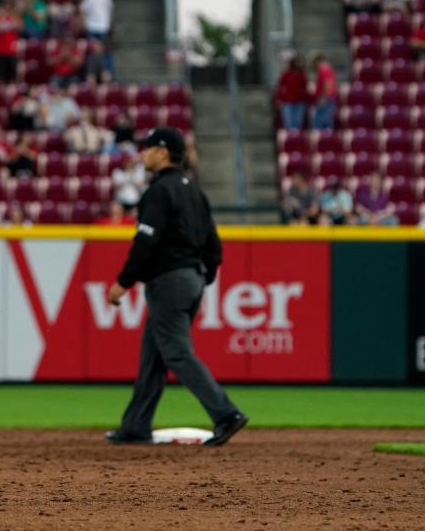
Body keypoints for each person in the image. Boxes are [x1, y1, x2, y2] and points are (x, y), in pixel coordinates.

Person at [105, 127, 247, 447]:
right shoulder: (194, 191)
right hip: (190, 278)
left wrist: (122, 283)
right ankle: (135, 425)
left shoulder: (159, 191)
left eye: (148, 148)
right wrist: (202, 277)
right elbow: (214, 245)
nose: (143, 153)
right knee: (153, 355)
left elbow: (145, 242)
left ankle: (226, 414)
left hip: (169, 279)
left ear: (164, 153)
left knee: (177, 353)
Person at [274, 55, 309, 130]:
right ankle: (289, 140)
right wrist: (278, 99)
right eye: (296, 62)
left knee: (298, 123)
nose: (298, 64)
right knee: (289, 123)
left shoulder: (302, 74)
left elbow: (305, 87)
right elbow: (280, 87)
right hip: (288, 101)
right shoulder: (286, 74)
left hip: (300, 101)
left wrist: (306, 99)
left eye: (300, 62)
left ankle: (296, 140)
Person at [311, 53, 336, 130]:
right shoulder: (325, 68)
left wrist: (323, 98)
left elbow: (328, 84)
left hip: (325, 99)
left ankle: (325, 141)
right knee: (324, 124)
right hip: (326, 99)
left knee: (321, 125)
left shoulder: (324, 68)